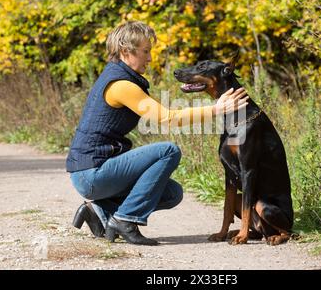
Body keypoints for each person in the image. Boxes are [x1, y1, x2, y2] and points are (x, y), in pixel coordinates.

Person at [66, 21, 248, 246]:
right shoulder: (121, 84)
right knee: (168, 151)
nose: (150, 58)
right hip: (91, 173)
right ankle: (124, 219)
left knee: (171, 193)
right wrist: (216, 109)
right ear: (125, 51)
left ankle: (100, 212)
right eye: (145, 51)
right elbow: (166, 118)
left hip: (95, 171)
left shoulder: (119, 77)